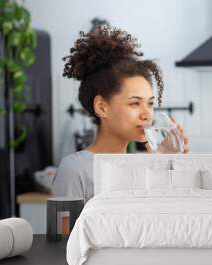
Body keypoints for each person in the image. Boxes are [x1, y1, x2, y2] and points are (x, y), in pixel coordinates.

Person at [52, 25, 189, 202]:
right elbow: (66, 230)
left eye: (150, 104)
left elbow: (166, 223)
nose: (147, 114)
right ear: (102, 107)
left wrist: (170, 165)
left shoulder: (146, 168)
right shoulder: (75, 170)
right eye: (134, 103)